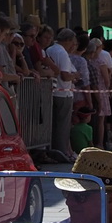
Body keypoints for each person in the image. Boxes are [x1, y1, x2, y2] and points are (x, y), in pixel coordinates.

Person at [44, 28, 78, 158]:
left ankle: (58, 149)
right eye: (73, 42)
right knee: (62, 125)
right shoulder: (62, 53)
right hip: (63, 92)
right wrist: (75, 75)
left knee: (55, 124)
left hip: (54, 91)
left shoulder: (50, 49)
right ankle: (61, 151)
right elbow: (65, 75)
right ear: (68, 41)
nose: (73, 46)